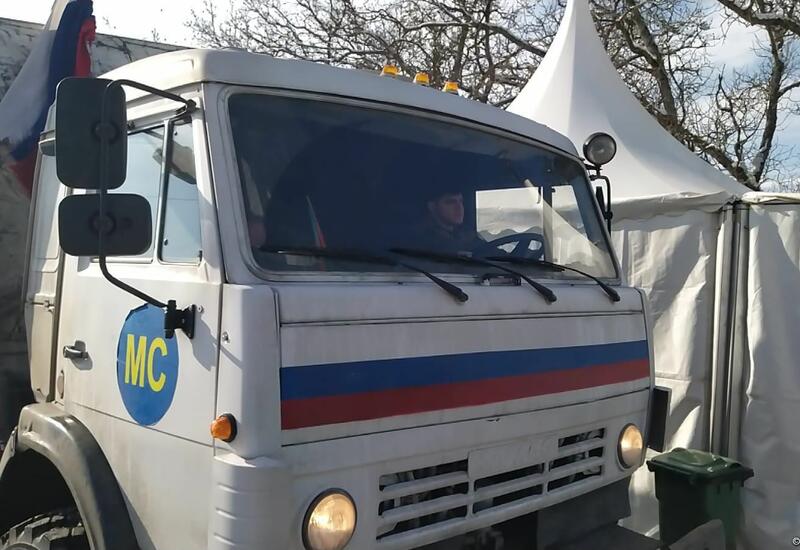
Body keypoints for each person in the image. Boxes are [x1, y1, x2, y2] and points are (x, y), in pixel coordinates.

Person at [413, 190, 485, 254]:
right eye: (451, 202)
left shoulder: (467, 234)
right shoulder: (420, 238)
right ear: (432, 206)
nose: (459, 207)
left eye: (461, 201)